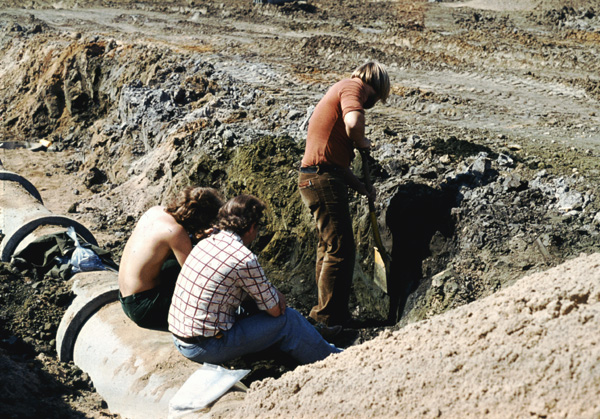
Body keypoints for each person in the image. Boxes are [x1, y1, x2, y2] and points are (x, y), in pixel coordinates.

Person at [168, 194, 342, 365]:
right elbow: (275, 311)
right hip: (205, 346)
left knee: (254, 306)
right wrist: (275, 295)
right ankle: (331, 359)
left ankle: (310, 340)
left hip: (181, 336)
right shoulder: (244, 258)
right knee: (289, 320)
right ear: (251, 227)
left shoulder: (207, 242)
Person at [298, 61, 391, 327]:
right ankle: (328, 319)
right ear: (377, 87)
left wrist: (360, 186)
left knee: (328, 247)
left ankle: (324, 313)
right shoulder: (353, 87)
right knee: (341, 248)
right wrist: (361, 141)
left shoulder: (341, 89)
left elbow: (335, 164)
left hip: (317, 176)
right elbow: (353, 121)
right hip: (321, 179)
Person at [118, 186, 224, 330]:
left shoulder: (155, 211)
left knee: (175, 262)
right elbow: (197, 277)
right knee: (207, 300)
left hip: (125, 297)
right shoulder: (176, 233)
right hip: (143, 308)